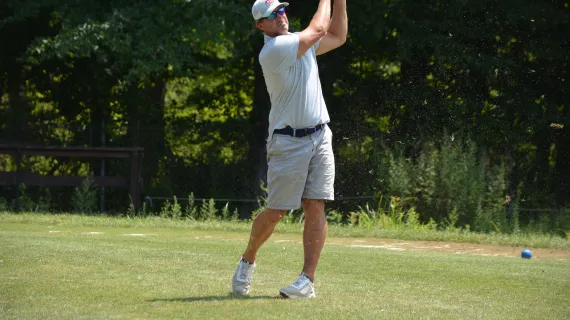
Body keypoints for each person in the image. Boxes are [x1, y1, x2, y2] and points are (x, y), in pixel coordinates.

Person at [232, 0, 347, 298]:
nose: (280, 16)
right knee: (277, 210)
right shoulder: (273, 51)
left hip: (320, 134)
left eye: (281, 10)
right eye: (272, 15)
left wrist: (341, 3)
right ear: (261, 26)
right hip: (288, 141)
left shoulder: (300, 42)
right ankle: (248, 258)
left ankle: (307, 280)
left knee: (316, 203)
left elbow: (337, 36)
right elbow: (321, 27)